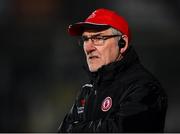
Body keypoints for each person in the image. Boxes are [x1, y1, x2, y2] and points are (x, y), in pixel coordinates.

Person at [58, 8, 167, 133]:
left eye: (98, 38)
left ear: (123, 43)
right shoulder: (87, 91)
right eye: (85, 39)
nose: (88, 48)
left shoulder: (145, 87)